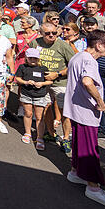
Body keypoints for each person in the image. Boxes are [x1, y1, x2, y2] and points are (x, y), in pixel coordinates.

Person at [63, 30, 105, 209]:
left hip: (76, 110)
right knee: (89, 150)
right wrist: (100, 102)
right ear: (99, 45)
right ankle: (93, 187)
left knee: (80, 145)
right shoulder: (89, 60)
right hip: (86, 112)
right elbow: (88, 82)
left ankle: (76, 172)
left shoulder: (79, 56)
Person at [30, 22, 75, 151]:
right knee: (46, 107)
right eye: (47, 33)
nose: (51, 35)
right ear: (41, 33)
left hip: (60, 82)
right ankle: (50, 133)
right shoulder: (35, 43)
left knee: (64, 111)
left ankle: (66, 138)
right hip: (42, 82)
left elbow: (73, 65)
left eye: (54, 33)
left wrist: (57, 74)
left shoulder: (63, 46)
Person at [15, 48, 52, 149]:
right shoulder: (22, 67)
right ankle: (27, 133)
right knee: (28, 113)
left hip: (40, 94)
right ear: (26, 58)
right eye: (30, 58)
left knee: (39, 117)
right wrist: (26, 82)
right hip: (26, 93)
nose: (33, 60)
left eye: (35, 58)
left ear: (38, 59)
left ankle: (40, 137)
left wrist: (42, 83)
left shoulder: (43, 68)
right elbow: (18, 78)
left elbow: (50, 81)